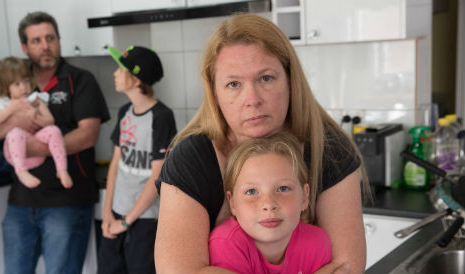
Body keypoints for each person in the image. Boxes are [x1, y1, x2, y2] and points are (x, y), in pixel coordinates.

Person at [154, 13, 369, 273]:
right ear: (215, 93)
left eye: (266, 78)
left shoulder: (330, 149)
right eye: (233, 84)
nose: (252, 99)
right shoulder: (191, 160)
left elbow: (347, 267)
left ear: (290, 80)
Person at [0, 11, 110, 274]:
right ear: (25, 47)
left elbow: (88, 135)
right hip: (21, 202)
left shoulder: (80, 80)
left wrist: (33, 147)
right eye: (37, 40)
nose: (45, 45)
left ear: (59, 40)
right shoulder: (14, 82)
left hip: (67, 201)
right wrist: (14, 121)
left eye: (50, 38)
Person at [97, 45, 177, 274]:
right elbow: (115, 165)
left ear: (135, 79)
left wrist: (126, 222)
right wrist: (107, 214)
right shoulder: (124, 112)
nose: (114, 73)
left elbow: (157, 176)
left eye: (120, 69)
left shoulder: (162, 117)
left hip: (144, 220)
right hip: (116, 214)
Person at [209, 131, 331, 274]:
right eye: (251, 191)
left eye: (283, 188)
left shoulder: (317, 243)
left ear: (304, 197)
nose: (268, 204)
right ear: (233, 203)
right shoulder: (227, 244)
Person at [0, 56, 72, 189]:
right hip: (15, 154)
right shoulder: (5, 102)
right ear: (6, 88)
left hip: (36, 149)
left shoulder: (36, 99)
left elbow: (50, 120)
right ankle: (21, 172)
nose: (24, 88)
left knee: (54, 130)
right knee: (15, 133)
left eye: (26, 81)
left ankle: (62, 169)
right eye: (17, 84)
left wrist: (36, 118)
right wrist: (13, 107)